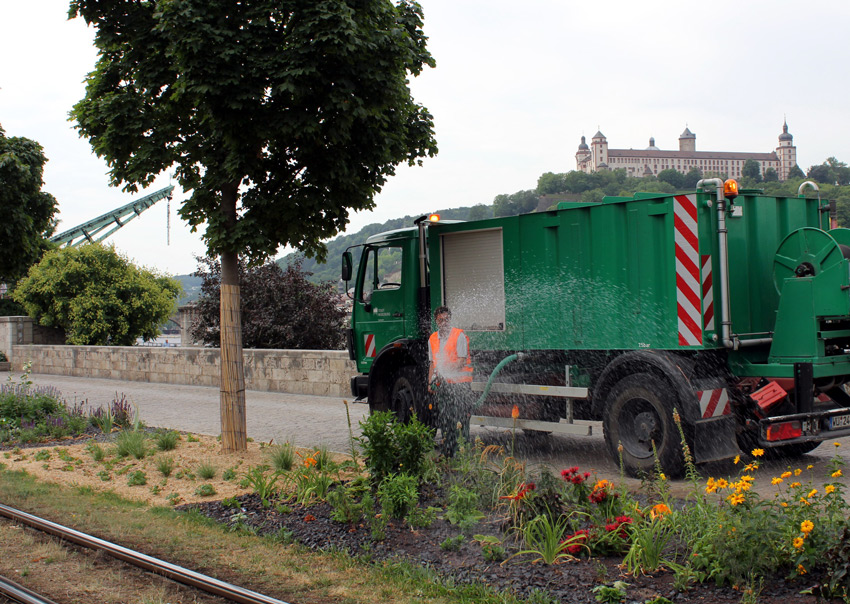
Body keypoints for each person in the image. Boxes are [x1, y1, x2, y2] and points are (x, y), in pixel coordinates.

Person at [428, 306, 474, 456]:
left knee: (460, 419)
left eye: (446, 319)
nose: (444, 322)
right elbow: (432, 363)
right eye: (440, 320)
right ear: (436, 321)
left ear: (450, 319)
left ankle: (461, 452)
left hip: (460, 384)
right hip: (444, 385)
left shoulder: (458, 335)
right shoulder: (433, 338)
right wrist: (430, 382)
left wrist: (444, 371)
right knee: (445, 419)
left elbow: (461, 361)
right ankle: (448, 451)